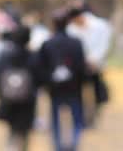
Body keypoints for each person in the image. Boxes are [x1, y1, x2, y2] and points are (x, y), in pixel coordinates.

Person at [37, 9, 86, 151]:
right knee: (76, 117)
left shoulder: (47, 43)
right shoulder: (76, 42)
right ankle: (74, 144)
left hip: (55, 88)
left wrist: (47, 82)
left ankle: (58, 146)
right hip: (74, 86)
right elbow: (81, 65)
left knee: (55, 119)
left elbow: (42, 66)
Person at [66, 7, 112, 127]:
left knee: (97, 90)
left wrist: (94, 60)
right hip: (80, 65)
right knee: (79, 91)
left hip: (96, 64)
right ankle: (83, 116)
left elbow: (104, 45)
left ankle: (94, 114)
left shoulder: (100, 25)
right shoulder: (72, 28)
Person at [0, 27, 38, 151]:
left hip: (9, 99)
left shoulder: (5, 56)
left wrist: (2, 95)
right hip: (28, 101)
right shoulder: (32, 56)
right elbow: (39, 78)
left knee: (12, 130)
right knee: (24, 132)